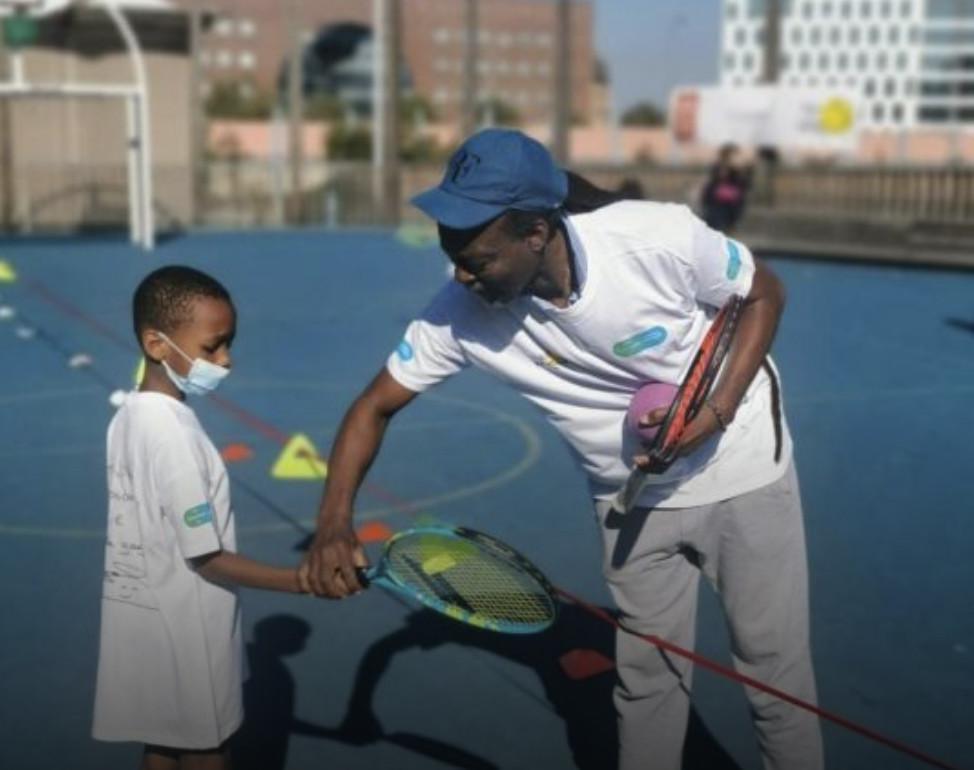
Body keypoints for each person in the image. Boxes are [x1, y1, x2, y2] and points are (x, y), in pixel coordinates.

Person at [302, 128, 823, 770]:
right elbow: (371, 406)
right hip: (627, 499)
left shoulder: (654, 237)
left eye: (477, 258)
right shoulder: (459, 314)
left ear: (536, 233)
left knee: (775, 678)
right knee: (647, 684)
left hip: (742, 468)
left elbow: (763, 293)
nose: (460, 274)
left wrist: (713, 416)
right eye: (451, 252)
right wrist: (332, 522)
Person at [93, 265, 311, 770]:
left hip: (141, 621)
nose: (226, 360)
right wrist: (301, 581)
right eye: (212, 347)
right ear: (157, 343)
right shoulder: (176, 438)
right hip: (189, 628)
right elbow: (208, 559)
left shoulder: (126, 416)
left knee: (162, 742)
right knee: (207, 749)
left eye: (228, 344)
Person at [700, 142, 752, 234]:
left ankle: (727, 227)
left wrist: (739, 170)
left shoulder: (740, 170)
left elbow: (744, 185)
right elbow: (711, 187)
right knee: (715, 217)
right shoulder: (718, 167)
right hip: (717, 203)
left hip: (730, 204)